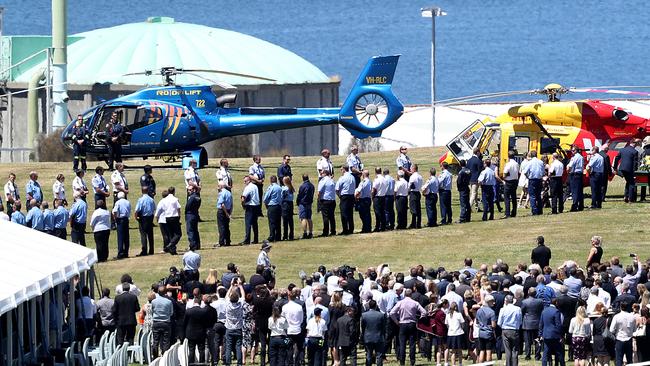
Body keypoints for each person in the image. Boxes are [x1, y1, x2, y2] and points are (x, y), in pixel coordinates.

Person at [390, 288, 426, 366]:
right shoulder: (415, 303)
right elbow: (424, 312)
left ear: (404, 294)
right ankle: (412, 361)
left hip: (402, 324)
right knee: (412, 344)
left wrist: (396, 322)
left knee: (402, 344)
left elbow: (392, 312)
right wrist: (419, 319)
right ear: (411, 295)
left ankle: (402, 361)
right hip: (412, 324)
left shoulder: (400, 303)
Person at [539, 298, 565, 366]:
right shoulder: (556, 311)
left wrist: (540, 334)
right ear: (556, 303)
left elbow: (541, 324)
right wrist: (561, 336)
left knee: (546, 353)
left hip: (546, 334)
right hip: (555, 335)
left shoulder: (544, 311)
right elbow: (558, 325)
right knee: (559, 352)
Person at [498, 294, 522, 366]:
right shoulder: (518, 309)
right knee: (515, 350)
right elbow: (520, 321)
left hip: (505, 330)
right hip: (515, 330)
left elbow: (499, 322)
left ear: (506, 301)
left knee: (507, 350)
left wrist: (503, 326)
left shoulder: (503, 309)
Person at [610, 301, 637, 366]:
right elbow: (634, 329)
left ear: (620, 307)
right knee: (629, 360)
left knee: (619, 360)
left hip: (619, 339)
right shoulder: (632, 317)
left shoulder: (616, 317)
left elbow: (611, 330)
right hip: (629, 339)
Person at [151, 285, 174, 359]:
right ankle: (164, 358)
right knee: (166, 342)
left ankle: (154, 357)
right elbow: (171, 313)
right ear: (165, 293)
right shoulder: (169, 302)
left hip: (156, 322)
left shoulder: (153, 301)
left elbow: (152, 311)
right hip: (166, 323)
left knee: (155, 341)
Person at [185, 296, 210, 364]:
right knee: (201, 349)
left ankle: (191, 363)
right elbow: (206, 322)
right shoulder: (204, 311)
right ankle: (201, 363)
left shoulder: (188, 311)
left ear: (194, 302)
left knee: (191, 350)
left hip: (190, 333)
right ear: (200, 303)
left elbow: (185, 322)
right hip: (201, 333)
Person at [521, 288, 544, 360]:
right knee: (537, 340)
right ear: (536, 293)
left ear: (528, 293)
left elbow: (522, 312)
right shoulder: (540, 301)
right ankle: (537, 355)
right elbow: (542, 310)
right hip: (537, 322)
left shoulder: (524, 302)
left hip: (527, 323)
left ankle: (528, 355)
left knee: (527, 341)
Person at [362, 299, 386, 366]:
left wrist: (363, 336)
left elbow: (363, 327)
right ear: (376, 306)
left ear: (369, 306)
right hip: (378, 337)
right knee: (379, 355)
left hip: (368, 337)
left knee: (368, 354)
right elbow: (383, 327)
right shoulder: (381, 315)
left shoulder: (364, 315)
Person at [522, 150, 545, 215]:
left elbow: (525, 172)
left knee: (532, 196)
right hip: (539, 180)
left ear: (531, 155)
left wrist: (528, 177)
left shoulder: (530, 162)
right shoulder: (540, 162)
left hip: (532, 180)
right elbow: (543, 172)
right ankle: (540, 210)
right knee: (538, 196)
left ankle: (534, 211)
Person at [134, 187, 155, 256]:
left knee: (143, 234)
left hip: (143, 218)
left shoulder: (141, 200)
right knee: (150, 234)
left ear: (142, 191)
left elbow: (137, 210)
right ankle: (151, 250)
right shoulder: (151, 199)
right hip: (150, 217)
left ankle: (144, 250)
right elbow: (154, 208)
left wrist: (136, 217)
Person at [476, 295, 497, 363]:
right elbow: (493, 325)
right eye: (492, 301)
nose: (493, 303)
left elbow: (477, 322)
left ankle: (480, 364)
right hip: (488, 333)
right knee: (488, 351)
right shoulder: (492, 312)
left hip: (481, 332)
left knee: (482, 351)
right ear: (489, 302)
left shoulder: (479, 310)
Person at [336, 165, 356, 235]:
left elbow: (337, 189)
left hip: (344, 196)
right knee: (350, 213)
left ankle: (345, 230)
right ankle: (351, 229)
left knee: (344, 213)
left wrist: (339, 196)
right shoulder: (352, 177)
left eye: (341, 170)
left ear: (344, 170)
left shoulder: (342, 178)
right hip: (351, 196)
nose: (341, 171)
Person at [241, 176, 261, 245]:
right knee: (255, 223)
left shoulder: (248, 187)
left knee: (248, 223)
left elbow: (243, 197)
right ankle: (256, 239)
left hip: (250, 206)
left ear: (249, 181)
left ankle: (247, 239)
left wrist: (243, 205)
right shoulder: (255, 186)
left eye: (245, 181)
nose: (244, 183)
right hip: (256, 206)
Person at [445, 302, 465, 366]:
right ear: (456, 307)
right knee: (459, 350)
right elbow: (463, 324)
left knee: (453, 351)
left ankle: (453, 364)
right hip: (458, 333)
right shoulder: (459, 314)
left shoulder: (447, 315)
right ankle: (460, 363)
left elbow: (446, 324)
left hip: (450, 334)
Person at [263, 175, 283, 242]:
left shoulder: (271, 188)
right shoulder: (280, 188)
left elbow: (266, 198)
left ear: (271, 180)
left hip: (272, 206)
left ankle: (272, 236)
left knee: (272, 222)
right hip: (279, 206)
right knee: (278, 222)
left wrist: (266, 203)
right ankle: (278, 236)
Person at [112, 191, 131, 259]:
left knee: (120, 237)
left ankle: (120, 253)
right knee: (126, 236)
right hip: (126, 219)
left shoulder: (118, 202)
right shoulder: (127, 202)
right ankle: (126, 252)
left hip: (120, 220)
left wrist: (115, 218)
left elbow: (114, 211)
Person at [318, 169, 337, 237]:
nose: (321, 173)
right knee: (332, 216)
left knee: (325, 216)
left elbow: (319, 191)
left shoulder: (323, 181)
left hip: (325, 200)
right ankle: (333, 230)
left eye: (322, 172)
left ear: (325, 173)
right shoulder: (332, 180)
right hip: (332, 200)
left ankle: (325, 232)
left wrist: (319, 199)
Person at [567, 146, 585, 211]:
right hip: (580, 174)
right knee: (580, 191)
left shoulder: (574, 157)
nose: (572, 152)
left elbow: (570, 166)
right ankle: (581, 206)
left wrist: (568, 170)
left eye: (572, 151)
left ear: (575, 151)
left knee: (574, 191)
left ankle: (574, 206)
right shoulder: (581, 157)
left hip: (574, 175)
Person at [502, 150, 520, 218]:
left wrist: (505, 177)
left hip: (508, 182)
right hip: (515, 181)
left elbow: (504, 174)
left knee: (507, 198)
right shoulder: (516, 164)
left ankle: (507, 213)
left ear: (508, 156)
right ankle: (514, 212)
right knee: (513, 197)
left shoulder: (508, 164)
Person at [297, 174, 315, 239]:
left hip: (303, 203)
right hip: (309, 203)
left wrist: (298, 202)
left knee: (303, 218)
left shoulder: (302, 186)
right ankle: (310, 233)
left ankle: (305, 233)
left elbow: (300, 195)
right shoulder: (312, 186)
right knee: (309, 218)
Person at [355, 169, 373, 233]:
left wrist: (356, 197)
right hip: (368, 199)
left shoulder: (363, 182)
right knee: (367, 214)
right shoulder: (370, 182)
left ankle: (365, 228)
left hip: (363, 200)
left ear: (363, 175)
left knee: (363, 215)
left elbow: (358, 191)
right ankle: (368, 227)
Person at [217, 181, 233, 247]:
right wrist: (229, 213)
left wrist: (226, 213)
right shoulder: (229, 193)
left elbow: (222, 204)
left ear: (221, 186)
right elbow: (231, 204)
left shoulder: (222, 193)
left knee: (221, 227)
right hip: (228, 210)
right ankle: (228, 241)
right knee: (226, 227)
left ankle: (222, 242)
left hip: (222, 211)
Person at [372, 167, 388, 232]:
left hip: (377, 197)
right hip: (383, 196)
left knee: (377, 212)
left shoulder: (376, 179)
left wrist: (372, 196)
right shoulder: (384, 179)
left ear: (375, 172)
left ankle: (378, 226)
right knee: (382, 212)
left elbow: (374, 189)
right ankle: (383, 226)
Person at [407, 164, 423, 229]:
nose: (410, 170)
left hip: (413, 193)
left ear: (413, 169)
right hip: (418, 193)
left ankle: (413, 223)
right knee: (418, 209)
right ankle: (418, 224)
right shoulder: (420, 176)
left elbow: (409, 185)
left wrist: (407, 191)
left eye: (411, 169)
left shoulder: (412, 176)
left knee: (413, 209)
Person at [281, 176, 295, 240]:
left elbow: (282, 197)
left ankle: (285, 235)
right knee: (290, 220)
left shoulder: (284, 189)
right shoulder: (291, 188)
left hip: (285, 204)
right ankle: (291, 235)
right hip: (290, 204)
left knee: (285, 221)